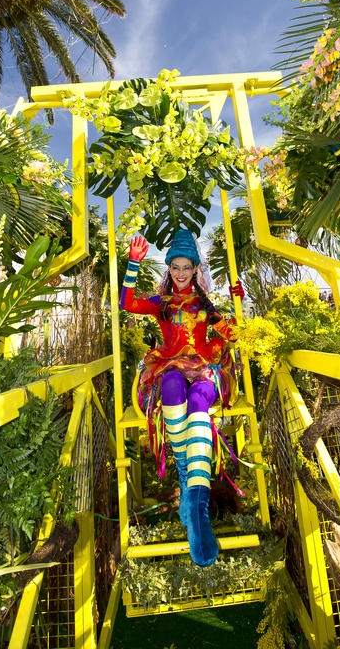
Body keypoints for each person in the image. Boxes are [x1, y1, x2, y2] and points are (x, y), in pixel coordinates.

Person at [120, 229, 244, 567]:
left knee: (199, 401)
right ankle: (187, 474)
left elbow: (233, 333)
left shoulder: (206, 306)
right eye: (174, 266)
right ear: (168, 268)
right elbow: (128, 303)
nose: (179, 272)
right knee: (172, 385)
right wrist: (133, 263)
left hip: (205, 370)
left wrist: (237, 303)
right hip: (171, 367)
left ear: (195, 268)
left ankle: (197, 503)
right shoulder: (161, 304)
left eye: (185, 266)